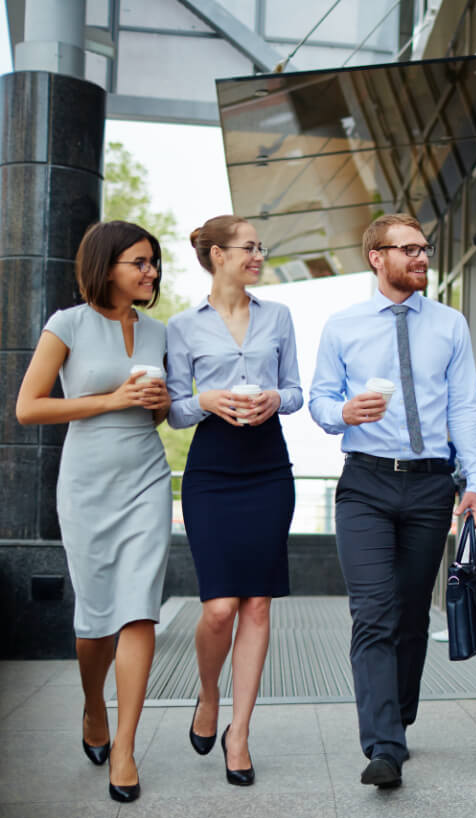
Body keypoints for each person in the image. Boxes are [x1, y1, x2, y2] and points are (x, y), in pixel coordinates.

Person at [310, 213, 476, 788]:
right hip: (364, 482)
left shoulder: (451, 325)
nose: (421, 257)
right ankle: (384, 744)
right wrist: (343, 413)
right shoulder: (343, 326)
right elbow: (319, 399)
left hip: (432, 483)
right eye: (408, 249)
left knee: (412, 613)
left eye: (425, 247)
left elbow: (464, 408)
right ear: (376, 258)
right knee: (374, 612)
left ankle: (399, 713)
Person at [16, 220, 172, 804]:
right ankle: (92, 706)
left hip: (147, 479)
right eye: (140, 261)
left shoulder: (158, 331)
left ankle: (126, 749)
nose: (150, 271)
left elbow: (154, 413)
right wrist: (111, 398)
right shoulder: (68, 324)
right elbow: (29, 408)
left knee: (140, 612)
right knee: (97, 617)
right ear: (106, 265)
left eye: (153, 262)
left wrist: (159, 404)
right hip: (85, 484)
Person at [166, 215, 302, 787]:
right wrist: (207, 399)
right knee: (219, 607)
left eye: (259, 248)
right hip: (213, 469)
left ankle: (239, 733)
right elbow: (173, 407)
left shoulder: (279, 316)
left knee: (258, 605)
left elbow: (296, 391)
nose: (258, 256)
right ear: (218, 255)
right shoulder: (181, 326)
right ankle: (207, 694)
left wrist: (276, 396)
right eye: (249, 248)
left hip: (268, 466)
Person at [433, 382, 476, 643]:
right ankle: (474, 626)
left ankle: (463, 627)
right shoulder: (470, 431)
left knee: (469, 568)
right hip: (473, 507)